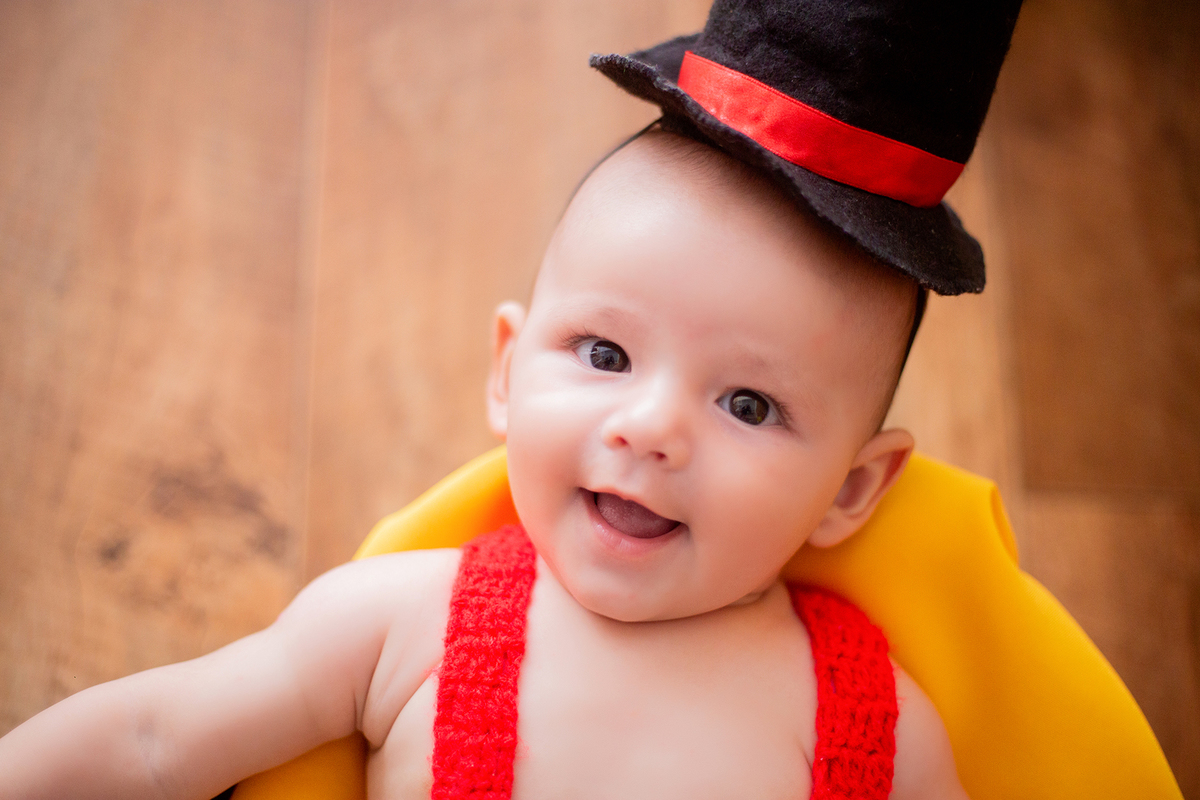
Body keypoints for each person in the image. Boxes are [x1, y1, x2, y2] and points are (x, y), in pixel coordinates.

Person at [0, 1, 1023, 798]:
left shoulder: (877, 724)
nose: (651, 427)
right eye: (606, 351)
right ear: (507, 368)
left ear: (852, 487)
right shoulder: (400, 625)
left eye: (749, 404)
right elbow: (149, 742)